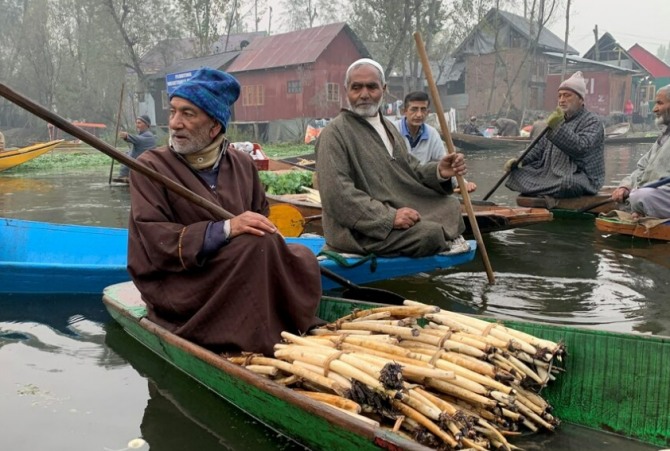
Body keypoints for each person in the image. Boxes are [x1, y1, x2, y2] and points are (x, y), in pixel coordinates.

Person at [126, 67, 322, 356]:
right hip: (181, 281)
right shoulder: (151, 167)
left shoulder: (242, 164)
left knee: (302, 256)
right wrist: (227, 229)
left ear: (215, 126)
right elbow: (156, 238)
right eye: (173, 112)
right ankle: (258, 342)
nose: (175, 123)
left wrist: (266, 236)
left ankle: (283, 324)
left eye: (188, 114)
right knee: (256, 245)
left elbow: (260, 216)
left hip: (237, 267)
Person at [315, 58, 468, 258]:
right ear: (347, 91)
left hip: (395, 204)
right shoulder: (334, 133)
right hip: (357, 230)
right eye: (356, 88)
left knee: (451, 205)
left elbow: (410, 168)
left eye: (371, 87)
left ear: (384, 89)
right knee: (429, 235)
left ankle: (438, 236)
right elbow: (338, 195)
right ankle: (437, 239)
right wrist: (389, 218)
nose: (364, 95)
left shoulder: (388, 127)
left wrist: (439, 171)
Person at [504, 71, 605, 198]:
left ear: (581, 99)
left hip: (580, 175)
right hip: (549, 174)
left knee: (567, 183)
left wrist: (557, 127)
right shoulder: (558, 119)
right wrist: (520, 160)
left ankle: (540, 191)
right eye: (560, 96)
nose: (562, 100)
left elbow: (581, 147)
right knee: (516, 174)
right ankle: (546, 191)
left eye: (567, 95)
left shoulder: (592, 121)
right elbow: (538, 148)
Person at [393, 91, 476, 193]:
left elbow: (444, 163)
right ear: (404, 111)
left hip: (422, 186)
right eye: (414, 109)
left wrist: (463, 183)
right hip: (398, 185)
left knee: (451, 203)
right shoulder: (392, 129)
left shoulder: (432, 133)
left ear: (428, 112)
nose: (419, 114)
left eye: (423, 110)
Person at [611, 85, 670, 218]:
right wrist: (626, 186)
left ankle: (641, 209)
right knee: (630, 196)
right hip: (655, 193)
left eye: (660, 103)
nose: (655, 109)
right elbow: (641, 168)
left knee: (640, 197)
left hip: (661, 194)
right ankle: (641, 209)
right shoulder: (664, 137)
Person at [113, 114, 157, 184]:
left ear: (146, 125)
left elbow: (138, 139)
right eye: (136, 123)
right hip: (127, 175)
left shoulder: (148, 136)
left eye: (139, 123)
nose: (137, 125)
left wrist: (127, 136)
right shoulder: (142, 136)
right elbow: (134, 151)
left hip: (134, 175)